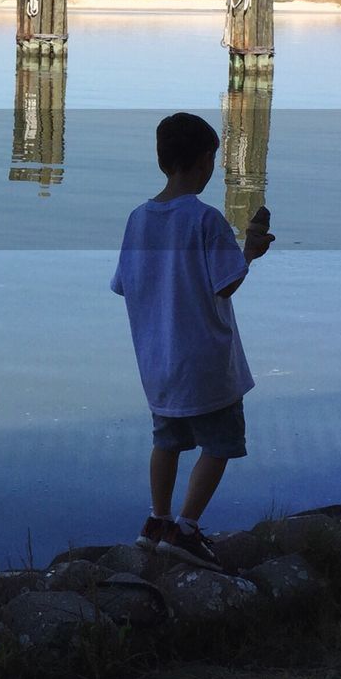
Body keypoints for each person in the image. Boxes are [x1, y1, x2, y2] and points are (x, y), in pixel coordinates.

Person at [110, 112, 274, 570]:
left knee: (166, 441)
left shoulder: (138, 220)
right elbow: (225, 283)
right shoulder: (206, 220)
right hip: (205, 363)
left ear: (163, 160)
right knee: (219, 444)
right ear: (205, 161)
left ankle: (156, 521)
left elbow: (125, 284)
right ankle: (185, 528)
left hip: (158, 362)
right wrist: (250, 253)